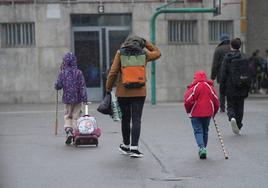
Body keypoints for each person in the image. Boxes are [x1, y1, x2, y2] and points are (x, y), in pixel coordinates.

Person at [106, 36, 161, 158]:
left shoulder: (120, 53)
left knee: (126, 119)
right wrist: (146, 43)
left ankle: (126, 146)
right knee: (136, 119)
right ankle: (134, 148)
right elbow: (158, 53)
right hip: (139, 92)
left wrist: (108, 88)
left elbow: (113, 72)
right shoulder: (144, 54)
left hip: (123, 92)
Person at [184, 70, 220, 159]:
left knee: (198, 131)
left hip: (195, 114)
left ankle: (202, 148)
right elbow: (216, 101)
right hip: (208, 113)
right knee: (205, 130)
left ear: (195, 78)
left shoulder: (194, 87)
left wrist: (189, 111)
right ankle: (204, 148)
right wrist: (214, 112)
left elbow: (188, 101)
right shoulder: (210, 87)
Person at [55, 52, 88, 144]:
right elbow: (82, 86)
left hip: (67, 99)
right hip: (77, 99)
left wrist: (56, 86)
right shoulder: (78, 72)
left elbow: (58, 85)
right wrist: (84, 98)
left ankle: (69, 131)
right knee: (75, 117)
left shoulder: (63, 73)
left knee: (68, 116)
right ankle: (75, 134)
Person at [221, 38, 250, 135]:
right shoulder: (244, 57)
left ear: (231, 46)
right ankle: (238, 124)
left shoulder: (227, 57)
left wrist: (222, 88)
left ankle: (232, 117)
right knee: (240, 106)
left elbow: (223, 74)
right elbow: (249, 73)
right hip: (242, 85)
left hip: (231, 86)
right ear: (240, 46)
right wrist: (248, 87)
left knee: (230, 105)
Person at [211, 33, 231, 112]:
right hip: (232, 74)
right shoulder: (232, 48)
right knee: (231, 90)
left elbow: (215, 64)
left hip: (221, 74)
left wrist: (213, 77)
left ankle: (222, 107)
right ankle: (230, 106)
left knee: (222, 91)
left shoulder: (218, 49)